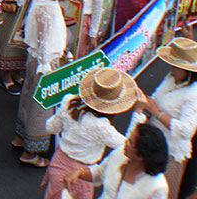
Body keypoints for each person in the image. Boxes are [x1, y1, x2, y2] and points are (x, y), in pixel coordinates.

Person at [14, 0, 80, 168]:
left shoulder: (39, 4)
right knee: (40, 107)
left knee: (27, 96)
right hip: (45, 63)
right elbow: (45, 39)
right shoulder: (49, 9)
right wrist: (46, 65)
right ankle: (30, 150)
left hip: (36, 58)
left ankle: (20, 136)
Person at [42, 68, 138, 199]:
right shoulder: (101, 126)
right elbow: (127, 145)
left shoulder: (68, 102)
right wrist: (138, 114)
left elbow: (50, 127)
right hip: (85, 174)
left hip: (59, 162)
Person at [131, 37, 197, 199]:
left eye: (176, 66)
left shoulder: (193, 94)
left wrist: (157, 113)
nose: (171, 68)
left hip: (170, 153)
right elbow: (155, 98)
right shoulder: (170, 78)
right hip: (152, 143)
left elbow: (186, 130)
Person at [63, 124, 169, 199]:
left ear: (141, 155)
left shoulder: (157, 187)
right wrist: (79, 173)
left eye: (130, 142)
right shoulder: (119, 153)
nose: (125, 142)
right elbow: (100, 173)